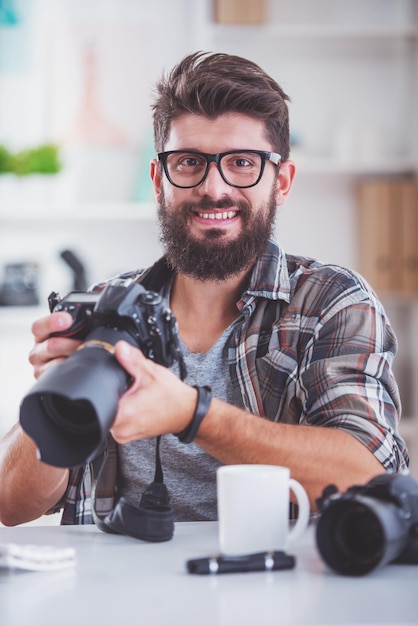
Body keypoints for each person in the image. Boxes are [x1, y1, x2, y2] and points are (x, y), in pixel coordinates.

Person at [0, 51, 409, 528]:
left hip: (284, 592)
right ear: (158, 180)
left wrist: (193, 414)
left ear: (282, 182)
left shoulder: (331, 302)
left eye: (241, 163)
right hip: (114, 595)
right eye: (189, 162)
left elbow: (370, 475)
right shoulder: (109, 305)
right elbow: (11, 505)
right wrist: (57, 402)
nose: (214, 187)